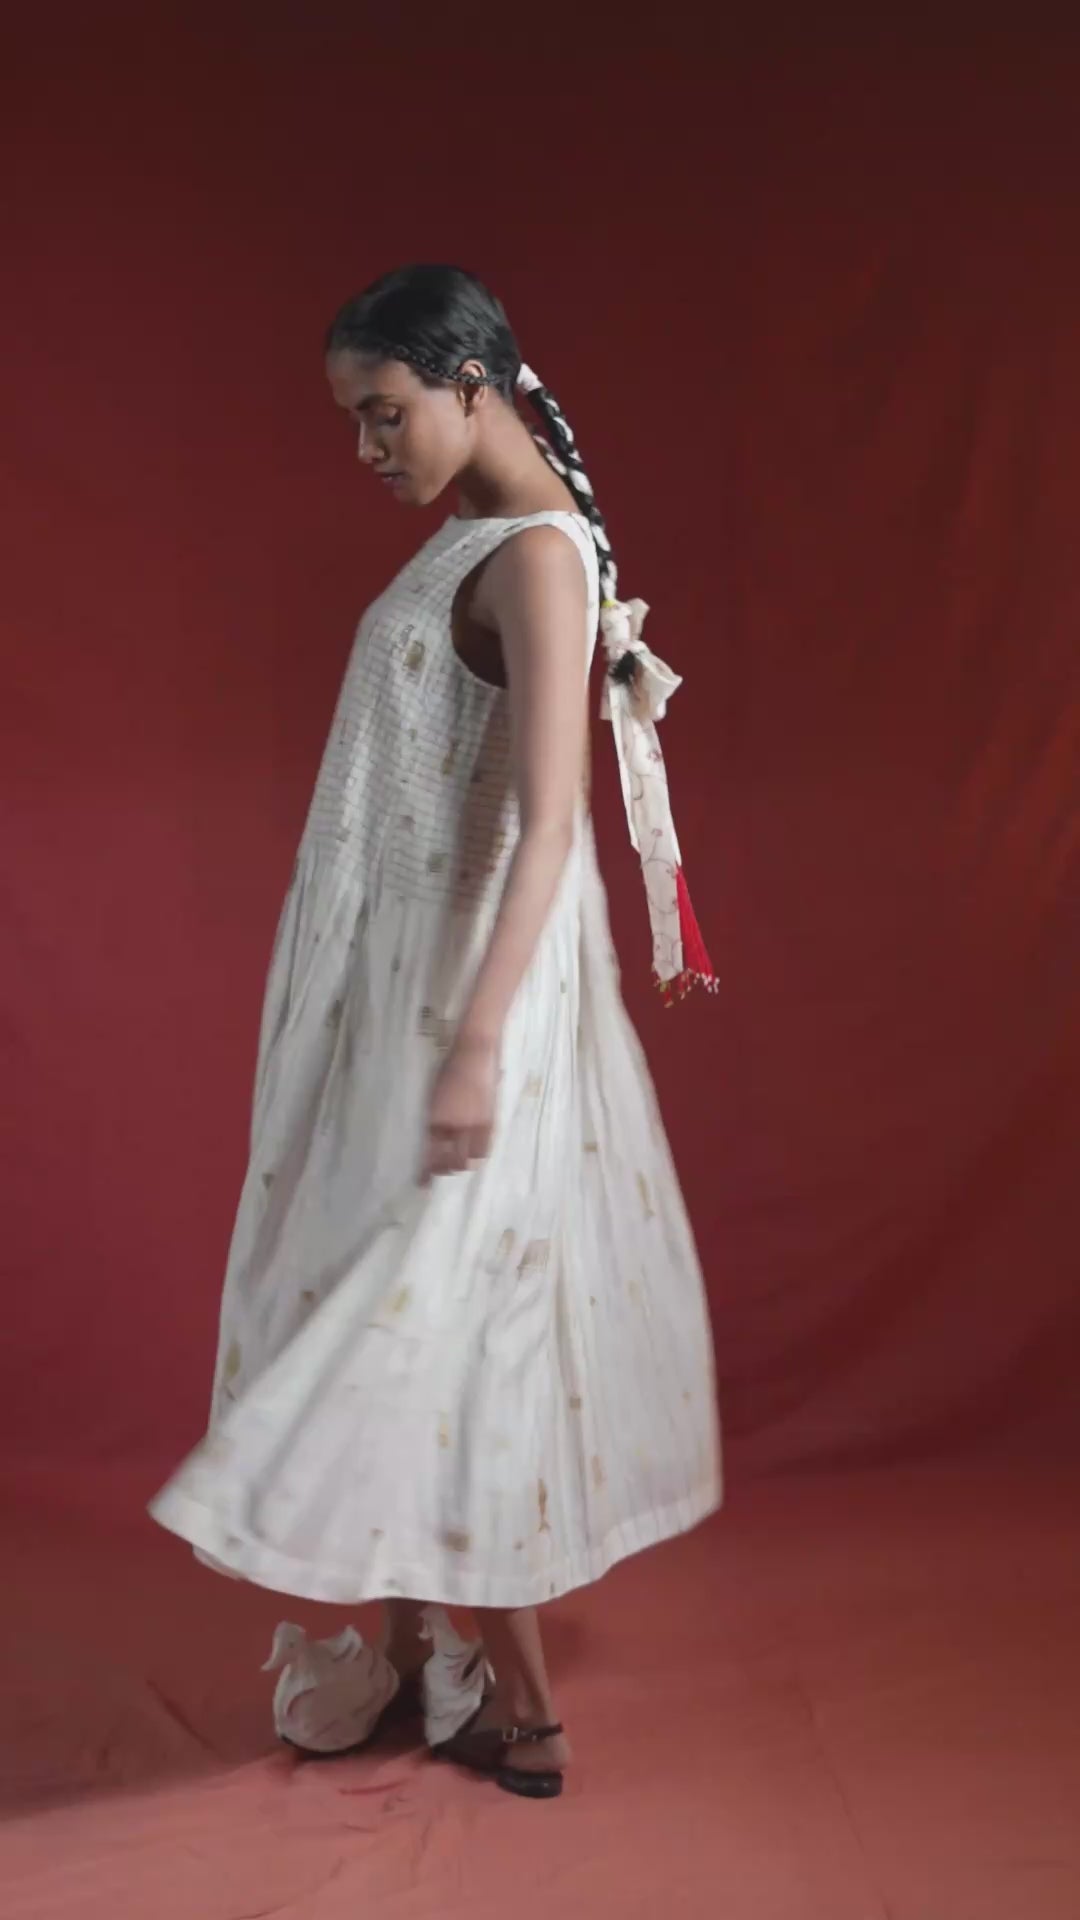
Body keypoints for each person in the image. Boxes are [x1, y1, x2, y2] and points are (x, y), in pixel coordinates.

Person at [150, 264, 722, 1800]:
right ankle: (416, 1654)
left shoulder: (534, 555)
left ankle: (526, 1706)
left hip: (466, 1001)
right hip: (394, 994)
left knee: (442, 1333)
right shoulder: (475, 535)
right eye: (355, 421)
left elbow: (553, 825)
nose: (368, 448)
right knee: (391, 1305)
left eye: (384, 413)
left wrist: (475, 1050)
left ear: (473, 384)